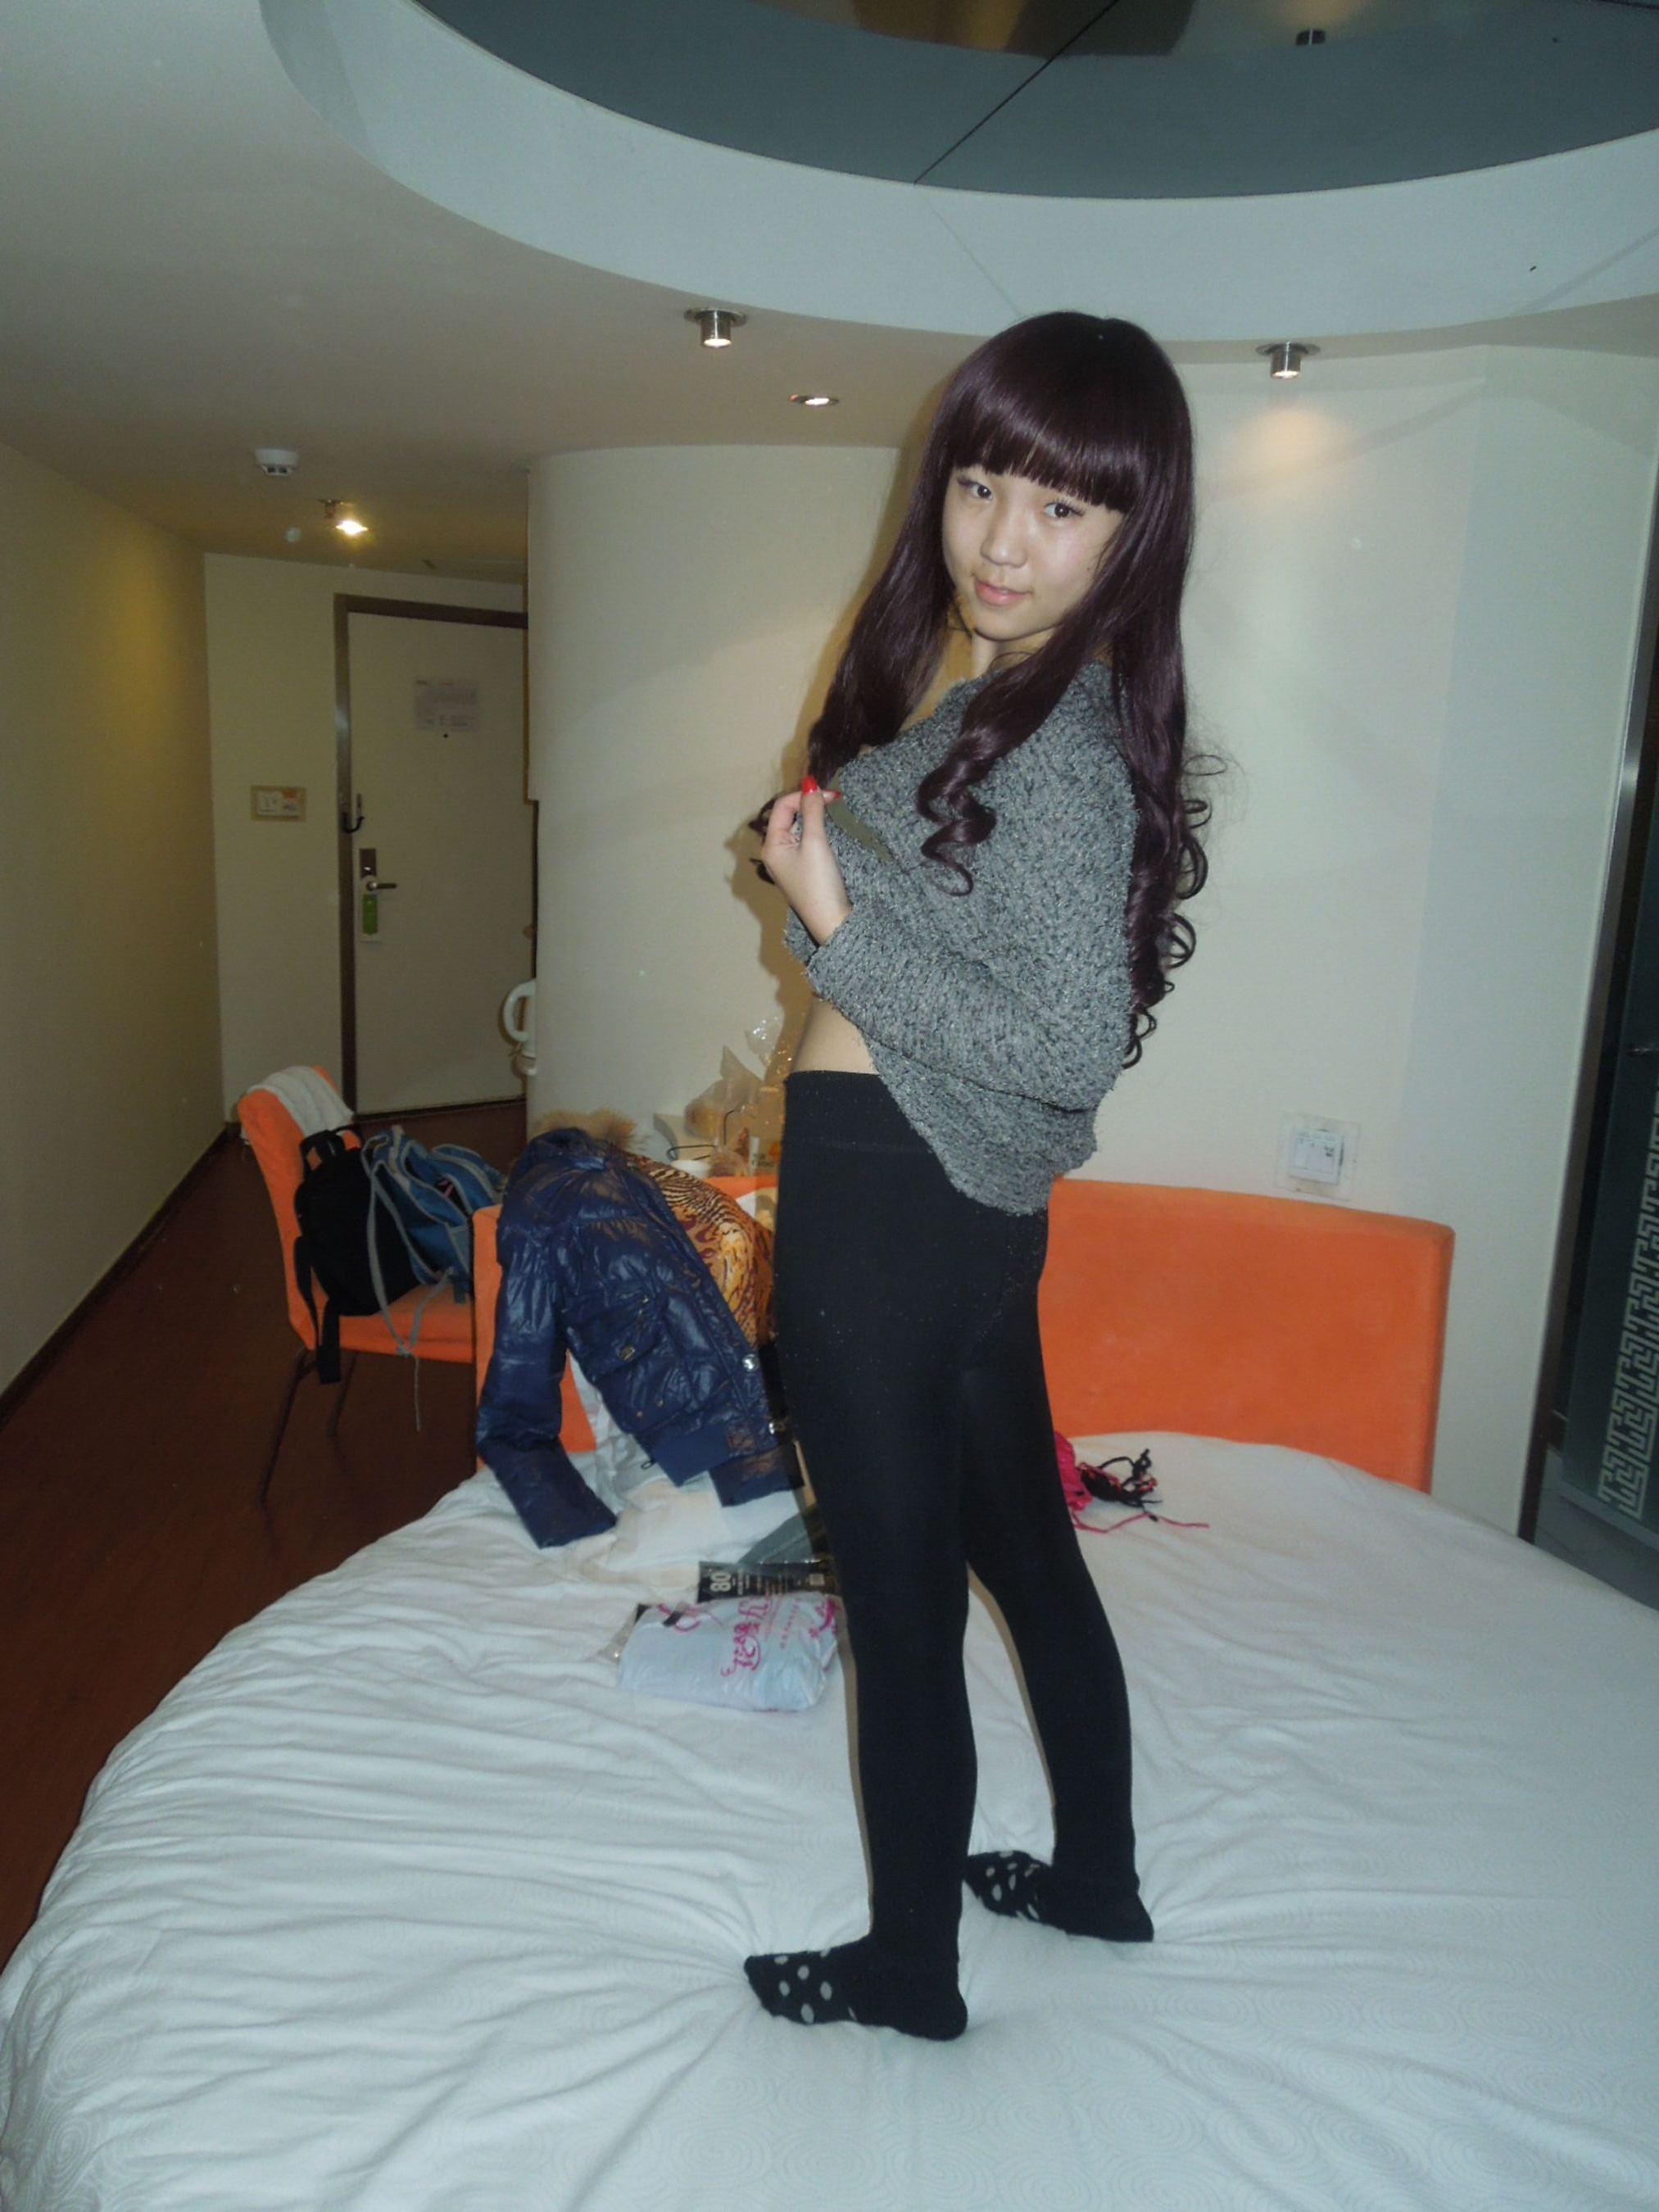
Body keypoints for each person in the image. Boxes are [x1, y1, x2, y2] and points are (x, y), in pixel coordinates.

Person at [741, 310, 1214, 2042]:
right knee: (1022, 1552)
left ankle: (905, 1971)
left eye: (1061, 508)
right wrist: (829, 861)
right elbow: (1001, 981)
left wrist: (832, 918)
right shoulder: (1011, 706)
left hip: (887, 1205)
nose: (1003, 541)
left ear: (1131, 534)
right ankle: (1093, 1879)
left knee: (902, 1605)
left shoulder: (1054, 743)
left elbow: (1065, 1044)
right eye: (979, 486)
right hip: (953, 1210)